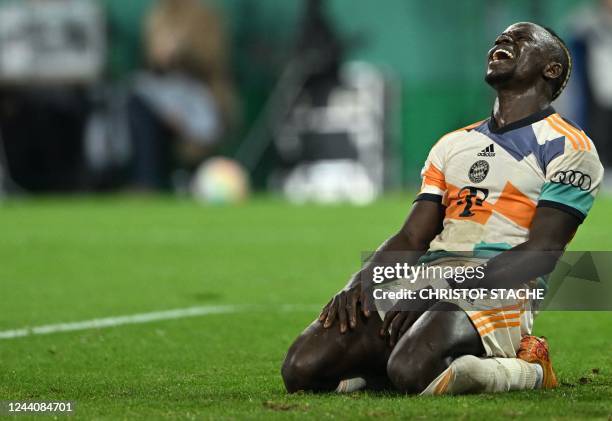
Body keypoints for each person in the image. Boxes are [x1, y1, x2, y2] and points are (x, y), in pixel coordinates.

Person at [281, 22, 604, 395]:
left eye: (521, 38)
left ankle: (530, 368)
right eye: (501, 36)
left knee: (413, 370)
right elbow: (411, 235)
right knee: (302, 370)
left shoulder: (570, 147)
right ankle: (394, 362)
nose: (502, 40)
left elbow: (542, 253)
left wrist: (442, 288)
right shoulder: (452, 144)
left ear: (551, 69)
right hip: (429, 277)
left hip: (503, 287)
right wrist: (361, 283)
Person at [128, 0, 237, 190]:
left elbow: (213, 62)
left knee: (202, 124)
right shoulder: (158, 15)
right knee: (138, 100)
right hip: (165, 94)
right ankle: (146, 182)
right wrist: (161, 56)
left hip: (201, 92)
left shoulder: (207, 16)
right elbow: (150, 63)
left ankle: (199, 176)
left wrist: (182, 51)